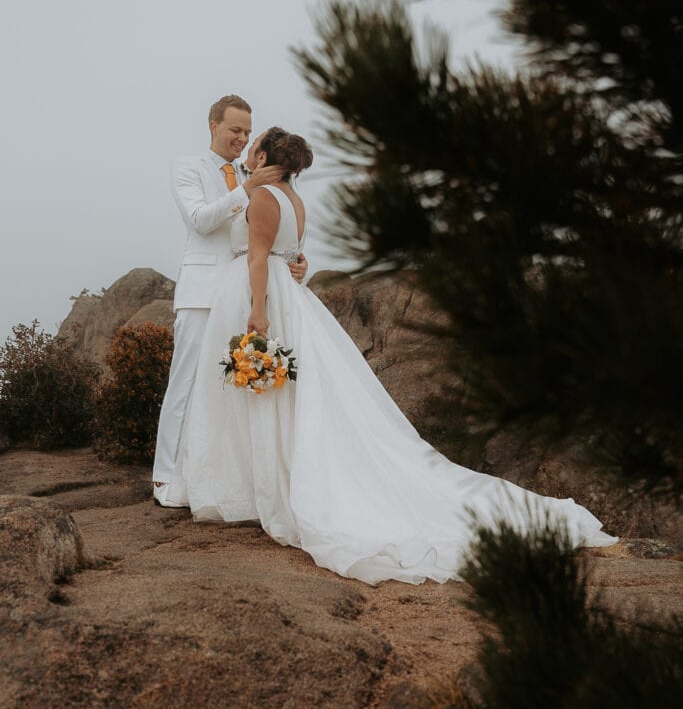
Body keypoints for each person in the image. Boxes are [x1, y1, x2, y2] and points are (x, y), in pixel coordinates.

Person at [165, 129, 618, 585]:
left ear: (264, 155)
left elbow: (259, 257)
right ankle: (256, 483)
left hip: (263, 297)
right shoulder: (292, 198)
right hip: (288, 295)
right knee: (278, 394)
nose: (246, 147)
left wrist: (257, 313)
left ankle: (266, 487)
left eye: (253, 142)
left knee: (270, 394)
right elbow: (289, 253)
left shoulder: (263, 195)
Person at [152, 97, 307, 506]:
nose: (241, 138)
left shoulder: (253, 174)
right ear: (213, 126)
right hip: (203, 295)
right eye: (234, 129)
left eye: (246, 131)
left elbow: (268, 233)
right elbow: (201, 221)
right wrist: (247, 188)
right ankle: (166, 476)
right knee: (185, 384)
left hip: (244, 293)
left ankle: (218, 475)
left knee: (229, 392)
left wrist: (293, 260)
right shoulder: (190, 168)